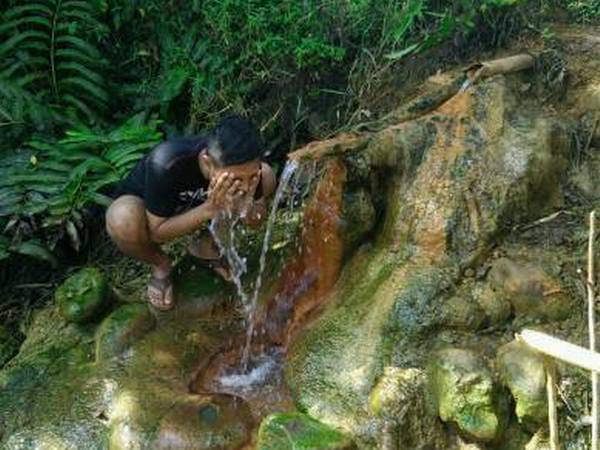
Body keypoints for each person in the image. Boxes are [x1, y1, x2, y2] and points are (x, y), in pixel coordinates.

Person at [105, 115, 276, 311]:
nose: (245, 186)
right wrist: (210, 209)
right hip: (154, 213)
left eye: (252, 176)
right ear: (207, 162)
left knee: (269, 176)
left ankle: (206, 244)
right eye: (236, 178)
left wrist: (246, 207)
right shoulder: (167, 163)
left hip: (202, 207)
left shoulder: (251, 173)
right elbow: (157, 232)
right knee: (122, 219)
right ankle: (160, 265)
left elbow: (256, 222)